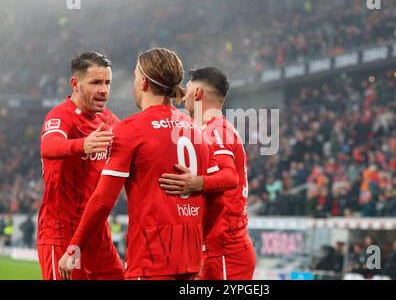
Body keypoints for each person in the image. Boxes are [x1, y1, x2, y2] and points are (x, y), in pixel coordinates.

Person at [58, 48, 218, 280]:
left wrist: (75, 247)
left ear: (143, 82)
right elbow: (219, 191)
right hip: (191, 261)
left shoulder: (131, 129)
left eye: (134, 77)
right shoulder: (196, 129)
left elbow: (103, 201)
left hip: (151, 259)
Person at [159, 67, 256, 280]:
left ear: (198, 93)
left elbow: (230, 177)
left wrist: (196, 183)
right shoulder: (210, 128)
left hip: (225, 249)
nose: (184, 93)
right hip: (216, 246)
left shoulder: (216, 130)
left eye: (188, 88)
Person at [37, 51, 124, 280]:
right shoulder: (60, 115)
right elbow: (49, 146)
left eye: (107, 82)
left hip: (97, 233)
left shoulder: (110, 121)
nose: (104, 90)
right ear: (75, 84)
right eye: (96, 82)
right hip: (62, 233)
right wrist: (82, 145)